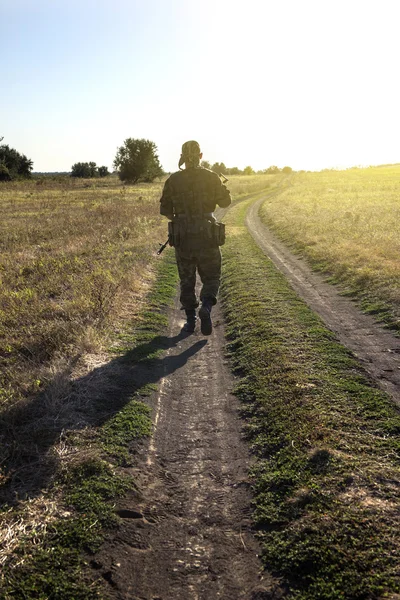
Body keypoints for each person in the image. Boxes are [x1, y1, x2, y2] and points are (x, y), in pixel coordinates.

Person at [160, 141, 232, 335]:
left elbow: (165, 211)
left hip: (183, 236)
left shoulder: (173, 180)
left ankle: (190, 322)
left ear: (183, 157)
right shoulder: (211, 177)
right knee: (212, 276)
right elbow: (226, 202)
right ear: (200, 156)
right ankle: (206, 307)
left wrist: (182, 219)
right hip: (207, 234)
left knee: (186, 279)